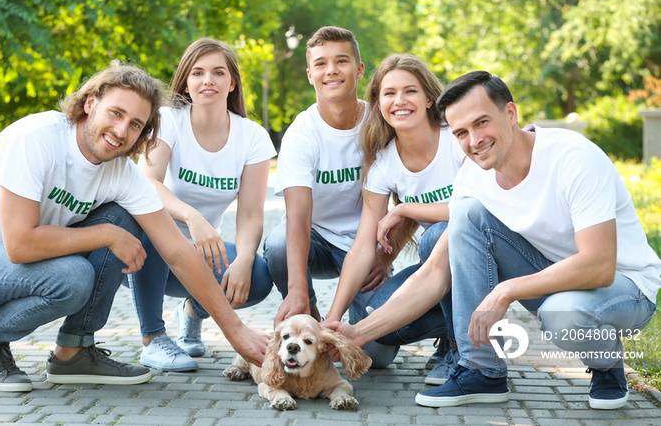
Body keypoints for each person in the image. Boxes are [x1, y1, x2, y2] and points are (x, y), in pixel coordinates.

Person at [326, 70, 661, 410]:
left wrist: (505, 291)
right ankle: (481, 370)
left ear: (511, 114)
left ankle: (607, 365)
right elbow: (433, 274)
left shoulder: (573, 158)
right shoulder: (475, 176)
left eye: (482, 122)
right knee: (467, 216)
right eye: (461, 133)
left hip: (625, 288)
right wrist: (359, 332)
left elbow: (599, 266)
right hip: (555, 280)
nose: (474, 140)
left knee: (563, 313)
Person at [0, 61, 268, 393]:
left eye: (136, 124)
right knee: (74, 276)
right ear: (90, 102)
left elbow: (177, 251)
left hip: (18, 268)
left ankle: (74, 352)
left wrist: (236, 332)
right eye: (116, 113)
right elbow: (20, 245)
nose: (122, 131)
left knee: (124, 216)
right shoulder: (38, 138)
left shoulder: (121, 172)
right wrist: (106, 235)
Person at [125, 38, 275, 372]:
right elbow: (146, 183)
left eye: (218, 72)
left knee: (260, 276)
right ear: (187, 82)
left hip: (199, 255)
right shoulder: (168, 119)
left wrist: (245, 259)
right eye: (198, 72)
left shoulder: (252, 137)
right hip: (146, 254)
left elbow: (251, 214)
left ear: (232, 82)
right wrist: (191, 217)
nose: (208, 80)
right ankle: (153, 340)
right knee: (149, 223)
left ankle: (193, 311)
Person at [324, 54, 462, 370]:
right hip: (442, 268)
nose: (399, 100)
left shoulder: (455, 137)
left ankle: (462, 350)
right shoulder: (384, 162)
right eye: (389, 93)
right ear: (378, 103)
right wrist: (333, 319)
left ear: (429, 98)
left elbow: (477, 209)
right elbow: (362, 247)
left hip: (488, 258)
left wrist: (404, 208)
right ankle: (449, 331)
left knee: (438, 237)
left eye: (410, 91)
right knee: (381, 328)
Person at [263, 26, 392, 332]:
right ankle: (311, 322)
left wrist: (387, 256)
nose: (331, 71)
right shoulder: (302, 133)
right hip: (316, 240)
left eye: (341, 61)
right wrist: (296, 289)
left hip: (365, 245)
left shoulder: (382, 124)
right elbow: (298, 214)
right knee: (279, 245)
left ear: (359, 70)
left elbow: (405, 199)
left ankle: (354, 325)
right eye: (321, 63)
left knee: (378, 353)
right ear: (310, 74)